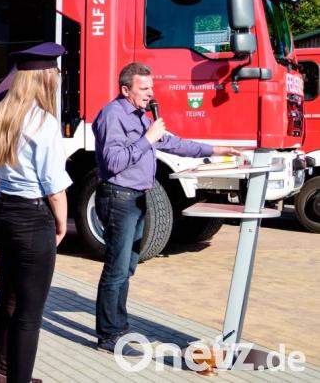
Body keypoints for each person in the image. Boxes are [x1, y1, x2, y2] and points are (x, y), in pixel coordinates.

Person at [92, 62, 241, 355]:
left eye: (151, 87)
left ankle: (118, 326)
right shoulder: (113, 115)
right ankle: (108, 335)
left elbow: (173, 144)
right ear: (126, 90)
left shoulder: (141, 116)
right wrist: (147, 139)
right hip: (118, 197)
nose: (151, 93)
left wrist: (214, 150)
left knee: (128, 266)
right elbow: (113, 162)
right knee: (117, 267)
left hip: (137, 197)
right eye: (144, 88)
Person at [0, 42, 71, 383]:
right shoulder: (44, 122)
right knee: (29, 314)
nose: (58, 79)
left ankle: (3, 371)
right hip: (32, 219)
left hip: (4, 212)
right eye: (55, 73)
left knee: (8, 298)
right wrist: (61, 225)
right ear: (44, 78)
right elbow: (54, 186)